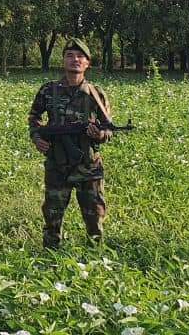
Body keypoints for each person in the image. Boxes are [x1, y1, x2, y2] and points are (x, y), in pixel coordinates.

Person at [28, 38, 113, 248]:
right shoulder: (49, 90)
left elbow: (108, 127)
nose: (75, 59)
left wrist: (98, 134)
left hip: (88, 166)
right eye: (70, 55)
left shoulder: (96, 93)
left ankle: (95, 254)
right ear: (63, 61)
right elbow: (34, 117)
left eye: (80, 56)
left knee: (94, 217)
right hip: (57, 165)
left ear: (87, 63)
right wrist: (37, 137)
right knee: (52, 216)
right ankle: (50, 256)